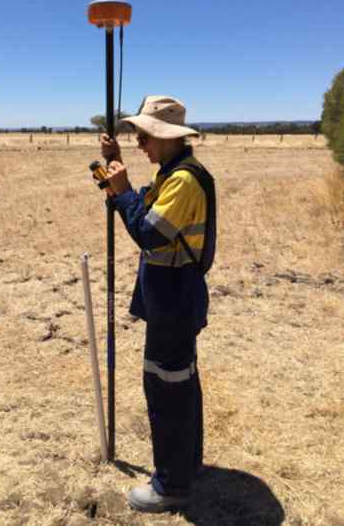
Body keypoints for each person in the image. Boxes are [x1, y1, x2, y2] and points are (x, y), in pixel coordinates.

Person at [101, 95, 211, 513]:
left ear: (166, 138)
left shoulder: (183, 180)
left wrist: (124, 190)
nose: (140, 144)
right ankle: (187, 465)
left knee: (167, 390)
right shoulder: (172, 174)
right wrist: (113, 171)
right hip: (172, 298)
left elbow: (148, 232)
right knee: (180, 385)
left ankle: (171, 485)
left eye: (144, 136)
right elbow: (139, 208)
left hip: (174, 299)